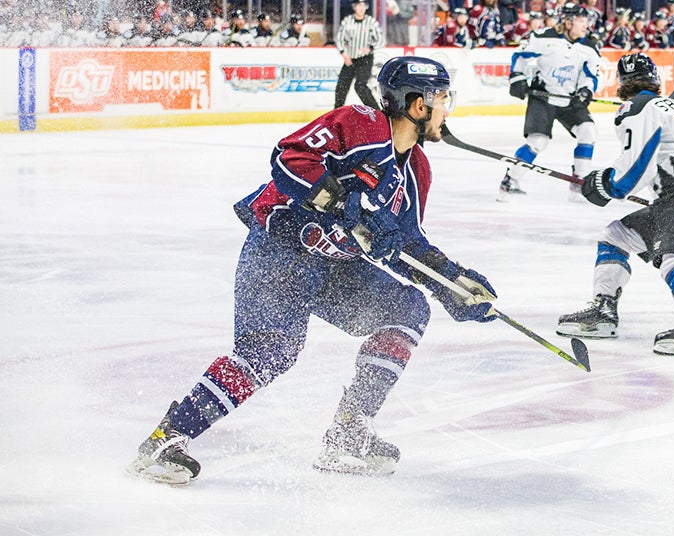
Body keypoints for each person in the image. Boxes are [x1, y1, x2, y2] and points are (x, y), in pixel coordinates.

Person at [127, 56, 497, 485]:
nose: (446, 108)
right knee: (272, 351)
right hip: (282, 250)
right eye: (442, 98)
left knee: (408, 310)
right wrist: (342, 203)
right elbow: (289, 158)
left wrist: (450, 282)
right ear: (418, 105)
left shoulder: (416, 169)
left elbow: (405, 244)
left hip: (337, 268)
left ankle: (348, 433)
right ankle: (166, 438)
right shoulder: (360, 123)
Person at [557, 53, 674, 356]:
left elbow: (636, 167)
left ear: (621, 83)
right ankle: (604, 310)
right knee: (616, 236)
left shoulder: (635, 108)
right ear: (656, 79)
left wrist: (606, 185)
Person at [500, 2, 600, 201]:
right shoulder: (543, 37)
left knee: (588, 131)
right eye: (581, 21)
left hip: (570, 99)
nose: (585, 25)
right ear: (569, 21)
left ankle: (578, 181)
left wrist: (587, 89)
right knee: (538, 141)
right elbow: (520, 56)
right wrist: (518, 78)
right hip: (543, 97)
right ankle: (510, 180)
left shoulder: (589, 46)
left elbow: (591, 75)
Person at [334, 0, 385, 109]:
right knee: (341, 87)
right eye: (359, 5)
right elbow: (339, 39)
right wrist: (343, 53)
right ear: (354, 7)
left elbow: (381, 40)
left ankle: (377, 112)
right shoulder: (347, 21)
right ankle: (336, 112)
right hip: (350, 59)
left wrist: (370, 47)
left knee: (360, 86)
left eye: (364, 5)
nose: (361, 8)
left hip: (365, 59)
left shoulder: (371, 22)